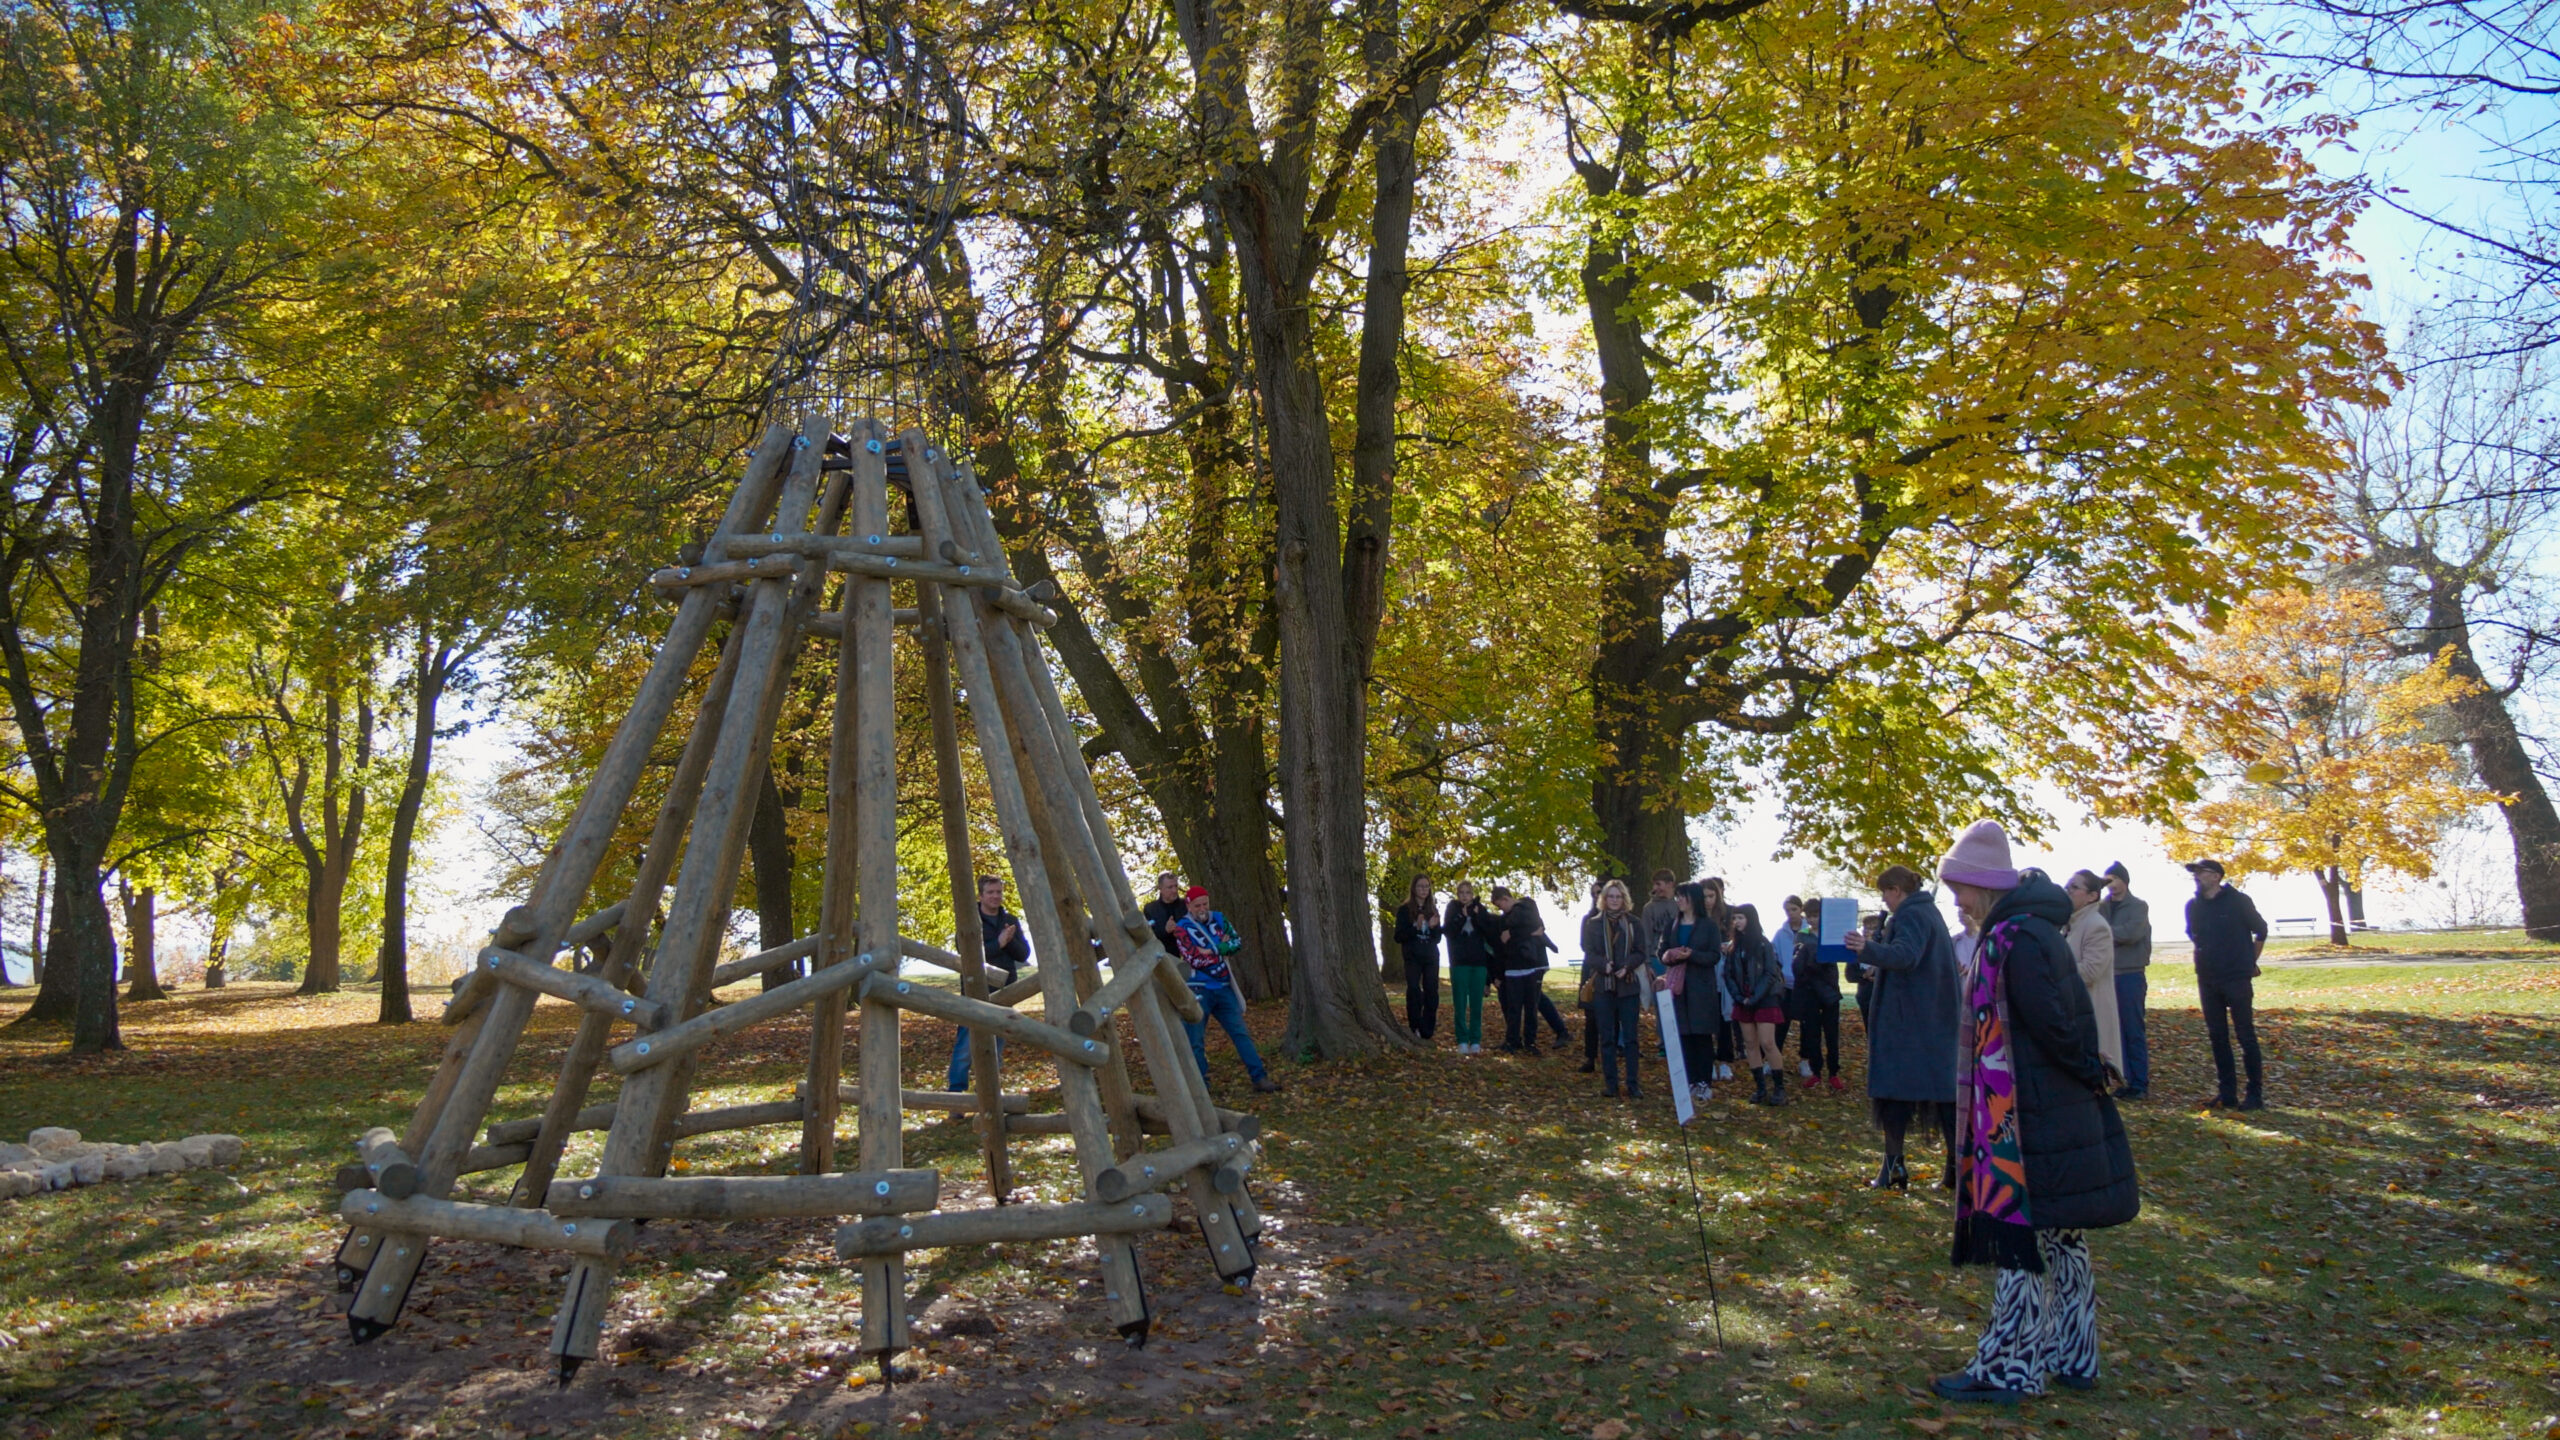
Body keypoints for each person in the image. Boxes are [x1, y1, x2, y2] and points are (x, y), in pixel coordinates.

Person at [1931, 821, 2140, 1405]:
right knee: (2061, 1239)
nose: (1955, 899)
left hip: (2027, 1116)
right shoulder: (2032, 933)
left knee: (2018, 1237)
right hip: (2046, 1107)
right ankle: (2074, 1355)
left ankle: (2007, 1369)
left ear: (1985, 887)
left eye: (1960, 888)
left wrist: (2084, 1072)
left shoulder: (2013, 941)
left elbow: (2054, 1024)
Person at [1844, 865, 1960, 1188]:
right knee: (1943, 1098)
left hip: (1909, 1025)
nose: (1884, 900)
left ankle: (1894, 1170)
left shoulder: (1911, 915)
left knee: (1894, 1095)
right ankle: (1955, 1170)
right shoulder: (1929, 914)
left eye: (1885, 892)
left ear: (1896, 890)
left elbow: (1906, 956)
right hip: (1930, 1022)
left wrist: (1866, 948)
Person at [1168, 885, 1284, 1094]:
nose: (1203, 908)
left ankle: (1259, 1077)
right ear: (1189, 905)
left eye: (1205, 903)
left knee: (1241, 1033)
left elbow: (1237, 943)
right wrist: (1220, 947)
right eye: (1198, 905)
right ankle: (1199, 1085)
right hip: (1197, 990)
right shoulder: (1182, 928)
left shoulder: (1220, 919)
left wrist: (1213, 949)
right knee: (1195, 1039)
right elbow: (1193, 958)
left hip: (1223, 986)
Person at [2183, 859, 2269, 1110]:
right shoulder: (2193, 906)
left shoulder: (2239, 901)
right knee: (2217, 1037)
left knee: (2245, 1035)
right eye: (2195, 873)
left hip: (2236, 978)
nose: (2197, 876)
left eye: (2201, 872)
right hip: (2207, 979)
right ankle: (2227, 1092)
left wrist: (2248, 961)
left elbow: (2261, 930)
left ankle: (2254, 1094)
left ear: (2216, 876)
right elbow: (2194, 935)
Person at [948, 875, 1032, 1091]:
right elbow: (965, 952)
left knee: (996, 1046)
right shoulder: (969, 918)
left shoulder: (1010, 920)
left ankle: (989, 1094)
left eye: (999, 892)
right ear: (981, 895)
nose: (996, 896)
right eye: (991, 892)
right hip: (975, 990)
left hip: (1005, 992)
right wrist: (999, 942)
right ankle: (956, 1097)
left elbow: (1023, 954)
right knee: (965, 1047)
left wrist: (1009, 939)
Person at [1582, 879, 1650, 1098]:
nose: (1614, 900)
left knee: (1631, 1038)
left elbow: (1641, 951)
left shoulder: (1634, 922)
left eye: (1618, 896)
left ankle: (1633, 1084)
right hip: (1604, 986)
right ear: (1604, 899)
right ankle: (1611, 1084)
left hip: (1628, 985)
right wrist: (1605, 966)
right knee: (1607, 1037)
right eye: (1610, 896)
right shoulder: (1593, 923)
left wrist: (1627, 966)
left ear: (1624, 899)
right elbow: (1589, 953)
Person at [1659, 881, 1721, 1103]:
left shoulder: (1708, 926)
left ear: (1692, 898)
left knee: (1701, 1036)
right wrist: (1669, 955)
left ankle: (1705, 1081)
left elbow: (1714, 956)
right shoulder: (1672, 925)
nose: (1678, 900)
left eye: (1682, 896)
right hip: (1678, 989)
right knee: (1684, 1035)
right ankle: (1691, 1079)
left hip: (1700, 988)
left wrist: (1691, 955)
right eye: (1677, 897)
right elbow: (1662, 950)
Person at [2062, 870, 2124, 1081]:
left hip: (2092, 1011)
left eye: (2075, 887)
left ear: (2092, 896)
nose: (2068, 891)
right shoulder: (2069, 925)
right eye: (2068, 886)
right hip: (2073, 1010)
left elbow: (2090, 972)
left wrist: (2053, 969)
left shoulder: (2097, 926)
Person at [1727, 904, 1789, 1105]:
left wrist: (1754, 997)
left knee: (1767, 1043)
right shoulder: (1733, 947)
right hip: (1742, 1000)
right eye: (1735, 918)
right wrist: (1738, 996)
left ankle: (1779, 1088)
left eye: (1741, 918)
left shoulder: (1764, 944)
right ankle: (1760, 1088)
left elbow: (1770, 973)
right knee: (1750, 1044)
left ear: (1750, 919)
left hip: (1764, 999)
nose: (1737, 922)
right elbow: (1728, 975)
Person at [2102, 862, 2152, 1100]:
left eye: (2113, 879)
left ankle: (2139, 1082)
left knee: (2133, 1029)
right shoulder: (2101, 908)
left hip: (2131, 974)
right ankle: (2122, 1080)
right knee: (2114, 1030)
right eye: (2107, 881)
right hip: (2108, 974)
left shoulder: (2138, 906)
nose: (2110, 885)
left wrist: (2104, 933)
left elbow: (2131, 934)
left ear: (2124, 881)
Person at [1492, 887, 1562, 1053]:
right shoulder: (1504, 920)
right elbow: (1503, 941)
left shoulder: (1526, 907)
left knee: (1531, 1006)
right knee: (1514, 1007)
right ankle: (1512, 1040)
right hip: (1513, 966)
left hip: (1531, 965)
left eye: (1500, 905)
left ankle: (1530, 1042)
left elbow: (1535, 927)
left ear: (1505, 899)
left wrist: (1515, 934)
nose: (1501, 909)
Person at [1791, 904, 1844, 1091]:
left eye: (1816, 915)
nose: (1813, 920)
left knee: (1831, 1034)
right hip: (1809, 991)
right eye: (1810, 916)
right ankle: (1816, 1072)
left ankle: (1833, 1072)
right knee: (1812, 1034)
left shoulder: (1831, 935)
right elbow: (1798, 964)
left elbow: (1833, 961)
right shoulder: (1802, 935)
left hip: (1829, 991)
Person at [1443, 882, 1499, 1055]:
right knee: (1459, 1002)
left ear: (1472, 894)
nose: (1465, 896)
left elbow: (1489, 933)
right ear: (1458, 894)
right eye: (1462, 893)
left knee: (1476, 1004)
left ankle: (1475, 1040)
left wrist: (1476, 917)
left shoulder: (1479, 909)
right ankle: (1461, 1040)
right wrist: (1461, 916)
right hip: (1459, 962)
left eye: (1468, 893)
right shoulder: (1453, 908)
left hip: (1478, 963)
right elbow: (1449, 932)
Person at [1393, 875, 1443, 1042]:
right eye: (1420, 886)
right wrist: (1416, 927)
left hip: (1430, 956)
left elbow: (1437, 939)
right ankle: (1414, 1026)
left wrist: (1433, 927)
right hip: (1412, 957)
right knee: (1414, 990)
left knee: (1431, 991)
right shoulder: (1404, 910)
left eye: (1426, 887)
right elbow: (1399, 936)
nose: (1424, 890)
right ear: (1414, 888)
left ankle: (1427, 1029)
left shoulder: (1433, 910)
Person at [1700, 877, 1738, 1080]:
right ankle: (1707, 1061)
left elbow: (1740, 935)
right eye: (1704, 896)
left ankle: (1725, 1061)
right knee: (1705, 1019)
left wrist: (1730, 945)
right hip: (1703, 972)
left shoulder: (1729, 913)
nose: (1707, 900)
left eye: (1711, 896)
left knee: (1725, 1019)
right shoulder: (1694, 916)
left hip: (1724, 972)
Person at [1578, 879, 1607, 1073]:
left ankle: (1609, 1055)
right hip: (1592, 970)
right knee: (1591, 1018)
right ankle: (1590, 1057)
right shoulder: (1588, 919)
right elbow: (1585, 945)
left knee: (1610, 1017)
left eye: (1600, 892)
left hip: (1613, 970)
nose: (1597, 896)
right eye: (1594, 893)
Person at [1144, 873, 1186, 955]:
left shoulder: (1187, 905)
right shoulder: (1150, 909)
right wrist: (1165, 930)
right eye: (1170, 887)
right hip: (1165, 957)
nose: (1174, 890)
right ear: (1160, 888)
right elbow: (1147, 937)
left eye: (1176, 886)